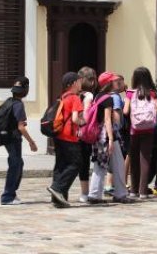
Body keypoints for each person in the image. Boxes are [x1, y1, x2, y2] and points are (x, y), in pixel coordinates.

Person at [87, 72, 134, 204]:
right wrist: (111, 139)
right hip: (107, 136)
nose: (116, 82)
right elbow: (108, 119)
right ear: (108, 83)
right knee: (118, 165)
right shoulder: (108, 99)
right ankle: (118, 194)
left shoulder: (98, 96)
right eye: (113, 81)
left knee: (100, 164)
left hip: (99, 136)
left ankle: (95, 194)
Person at [47, 72, 84, 208]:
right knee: (76, 163)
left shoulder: (63, 97)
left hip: (58, 136)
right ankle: (57, 188)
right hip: (69, 136)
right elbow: (75, 119)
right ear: (73, 83)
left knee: (61, 166)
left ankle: (58, 198)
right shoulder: (74, 98)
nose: (81, 83)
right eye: (79, 81)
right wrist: (83, 121)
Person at [1, 76, 38, 205]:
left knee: (18, 164)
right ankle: (7, 196)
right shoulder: (18, 105)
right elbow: (21, 127)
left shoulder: (9, 101)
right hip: (13, 139)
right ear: (25, 90)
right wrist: (31, 142)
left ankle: (12, 193)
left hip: (7, 137)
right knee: (15, 165)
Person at [124, 67, 157, 199]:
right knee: (145, 159)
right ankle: (143, 191)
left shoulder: (130, 93)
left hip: (134, 129)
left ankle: (133, 190)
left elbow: (126, 111)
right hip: (149, 129)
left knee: (134, 160)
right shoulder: (152, 93)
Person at [77, 66, 97, 203]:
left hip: (72, 133)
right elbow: (86, 114)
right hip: (84, 132)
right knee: (84, 163)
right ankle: (85, 193)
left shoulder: (74, 94)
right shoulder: (89, 96)